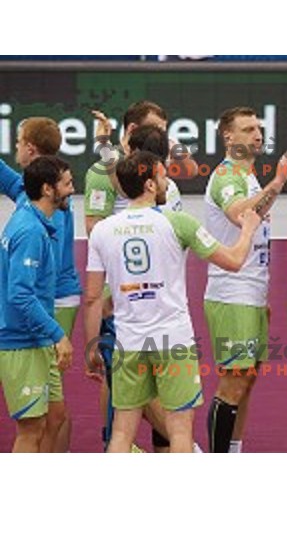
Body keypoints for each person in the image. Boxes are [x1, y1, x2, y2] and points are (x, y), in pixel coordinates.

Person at [84, 151, 262, 453]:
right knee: (180, 430)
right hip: (173, 341)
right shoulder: (178, 222)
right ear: (150, 184)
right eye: (163, 176)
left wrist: (92, 346)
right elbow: (233, 261)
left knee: (122, 432)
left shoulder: (102, 230)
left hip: (128, 342)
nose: (167, 181)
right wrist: (247, 229)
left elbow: (92, 297)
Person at [85, 102, 177, 452]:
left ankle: (163, 446)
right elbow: (95, 230)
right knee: (124, 382)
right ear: (131, 132)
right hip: (120, 301)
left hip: (159, 299)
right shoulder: (106, 174)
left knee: (154, 382)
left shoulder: (154, 178)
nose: (160, 139)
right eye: (152, 130)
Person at [204, 106, 287, 453]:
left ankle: (233, 451)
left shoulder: (248, 177)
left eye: (258, 128)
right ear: (229, 137)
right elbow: (243, 215)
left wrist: (263, 296)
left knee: (247, 378)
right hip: (232, 292)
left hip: (251, 292)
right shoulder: (228, 176)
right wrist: (278, 183)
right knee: (234, 380)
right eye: (247, 129)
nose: (257, 134)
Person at [0, 117, 80, 453]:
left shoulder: (38, 211)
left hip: (41, 324)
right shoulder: (32, 227)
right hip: (25, 332)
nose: (72, 191)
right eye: (67, 184)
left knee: (54, 414)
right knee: (31, 426)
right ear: (48, 189)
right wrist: (57, 333)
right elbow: (21, 291)